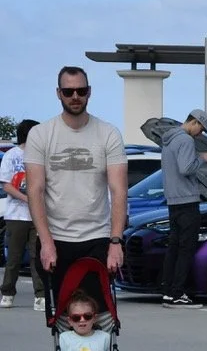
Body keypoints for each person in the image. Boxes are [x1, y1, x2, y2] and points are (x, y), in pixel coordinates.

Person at [25, 65, 127, 307]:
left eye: (81, 91)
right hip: (56, 238)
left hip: (97, 237)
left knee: (96, 314)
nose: (75, 97)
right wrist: (46, 242)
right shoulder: (40, 134)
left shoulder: (108, 133)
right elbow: (35, 190)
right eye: (68, 91)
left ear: (89, 92)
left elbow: (119, 190)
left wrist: (115, 242)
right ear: (58, 93)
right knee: (63, 316)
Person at [159, 108, 207, 308]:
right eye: (202, 129)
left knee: (174, 247)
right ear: (195, 122)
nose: (200, 133)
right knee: (186, 249)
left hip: (173, 201)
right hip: (187, 201)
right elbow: (186, 168)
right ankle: (178, 292)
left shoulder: (169, 140)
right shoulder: (186, 140)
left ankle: (168, 291)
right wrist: (202, 158)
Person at [1, 119, 45, 309]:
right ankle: (7, 293)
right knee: (14, 257)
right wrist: (28, 199)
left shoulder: (43, 155)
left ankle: (41, 296)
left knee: (38, 257)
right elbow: (6, 185)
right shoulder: (12, 155)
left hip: (39, 216)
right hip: (16, 215)